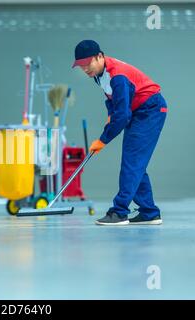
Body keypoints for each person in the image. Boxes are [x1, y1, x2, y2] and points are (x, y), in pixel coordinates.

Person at [72, 40, 167, 226]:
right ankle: (149, 212)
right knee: (135, 164)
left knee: (131, 163)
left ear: (100, 56)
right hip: (138, 111)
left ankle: (119, 211)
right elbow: (112, 99)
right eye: (81, 65)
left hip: (150, 110)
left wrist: (103, 139)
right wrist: (110, 115)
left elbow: (123, 116)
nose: (84, 69)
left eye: (87, 63)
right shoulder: (99, 74)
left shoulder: (118, 76)